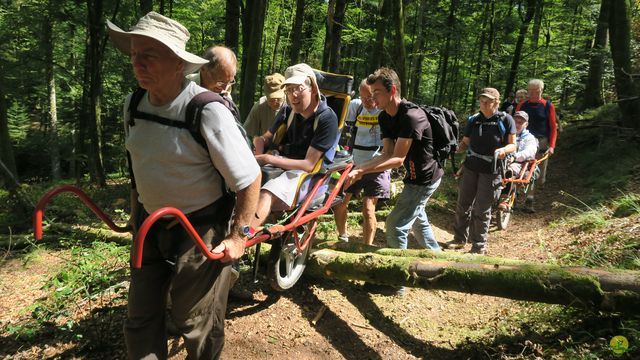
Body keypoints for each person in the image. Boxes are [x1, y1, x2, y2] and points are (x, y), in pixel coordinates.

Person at [107, 12, 261, 359]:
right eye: (134, 53)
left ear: (178, 63)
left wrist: (239, 235)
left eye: (149, 54)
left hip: (199, 227)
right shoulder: (133, 105)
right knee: (140, 317)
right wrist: (135, 215)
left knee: (196, 320)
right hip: (149, 224)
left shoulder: (205, 110)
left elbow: (249, 177)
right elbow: (138, 167)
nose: (137, 62)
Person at [347, 68, 443, 266]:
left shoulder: (411, 116)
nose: (373, 98)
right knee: (417, 220)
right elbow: (386, 154)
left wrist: (362, 170)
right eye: (371, 93)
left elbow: (398, 159)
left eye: (377, 93)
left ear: (392, 91)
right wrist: (360, 167)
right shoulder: (384, 117)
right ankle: (439, 260)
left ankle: (396, 279)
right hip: (414, 177)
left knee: (395, 225)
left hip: (425, 179)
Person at [251, 63, 338, 228]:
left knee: (267, 192)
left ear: (312, 88)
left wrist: (268, 158)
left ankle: (242, 237)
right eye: (289, 90)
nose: (293, 95)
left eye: (298, 88)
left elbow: (309, 164)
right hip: (279, 163)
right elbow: (264, 139)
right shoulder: (287, 111)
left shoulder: (327, 119)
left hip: (305, 175)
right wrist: (259, 147)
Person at [446, 88, 516, 255]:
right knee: (463, 205)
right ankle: (459, 239)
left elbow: (513, 145)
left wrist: (504, 151)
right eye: (482, 100)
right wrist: (456, 149)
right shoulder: (474, 120)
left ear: (496, 102)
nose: (484, 104)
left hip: (492, 170)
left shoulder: (506, 120)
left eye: (488, 101)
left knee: (482, 209)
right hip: (471, 167)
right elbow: (465, 142)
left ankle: (478, 247)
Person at [333, 79, 390, 245]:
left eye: (371, 97)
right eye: (364, 97)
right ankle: (343, 236)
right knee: (340, 203)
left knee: (368, 209)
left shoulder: (385, 111)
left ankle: (367, 246)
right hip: (353, 162)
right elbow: (341, 128)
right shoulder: (355, 106)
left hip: (377, 165)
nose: (368, 102)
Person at [515, 79, 557, 212]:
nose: (533, 93)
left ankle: (529, 197)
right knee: (517, 167)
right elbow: (513, 123)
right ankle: (517, 198)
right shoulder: (522, 105)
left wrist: (551, 146)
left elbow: (553, 127)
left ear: (541, 90)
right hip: (522, 140)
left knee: (536, 174)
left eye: (536, 90)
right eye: (530, 90)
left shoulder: (547, 106)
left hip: (541, 142)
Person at [498, 111, 538, 211]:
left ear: (526, 124)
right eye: (515, 121)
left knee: (509, 170)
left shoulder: (529, 138)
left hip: (519, 163)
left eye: (521, 122)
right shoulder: (505, 133)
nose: (517, 124)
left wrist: (515, 157)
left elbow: (529, 151)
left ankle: (504, 197)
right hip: (502, 159)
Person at [243, 73, 286, 138]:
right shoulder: (260, 106)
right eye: (271, 99)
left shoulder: (292, 105)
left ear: (285, 93)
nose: (275, 102)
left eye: (278, 99)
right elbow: (247, 134)